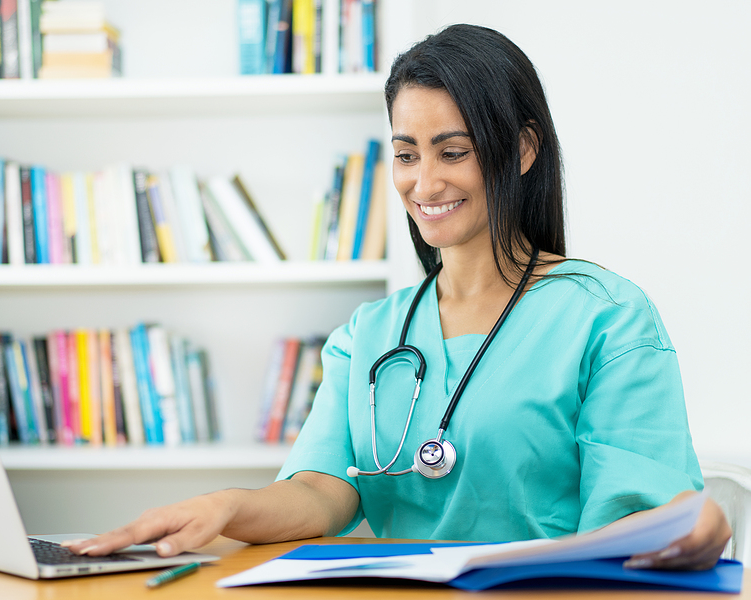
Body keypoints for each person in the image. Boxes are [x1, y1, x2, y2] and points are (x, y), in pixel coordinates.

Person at [65, 24, 731, 570]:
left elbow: (646, 515)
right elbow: (325, 494)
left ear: (524, 149)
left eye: (453, 151)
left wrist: (699, 522)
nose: (425, 182)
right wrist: (227, 508)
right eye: (407, 153)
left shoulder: (608, 319)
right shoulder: (371, 332)